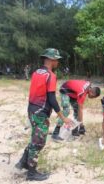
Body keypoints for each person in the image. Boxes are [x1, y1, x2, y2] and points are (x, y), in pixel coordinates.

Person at [15, 48, 73, 181]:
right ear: (51, 60)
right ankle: (32, 173)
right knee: (39, 142)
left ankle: (23, 161)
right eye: (57, 60)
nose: (58, 62)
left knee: (35, 138)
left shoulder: (36, 72)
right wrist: (62, 117)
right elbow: (52, 98)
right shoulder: (50, 75)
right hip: (41, 112)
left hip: (32, 109)